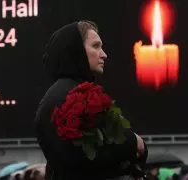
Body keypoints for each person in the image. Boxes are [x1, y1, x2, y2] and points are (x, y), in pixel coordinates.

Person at [34, 20, 148, 180]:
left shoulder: (54, 95)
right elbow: (86, 157)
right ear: (75, 50)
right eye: (95, 46)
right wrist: (134, 142)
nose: (104, 54)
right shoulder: (75, 95)